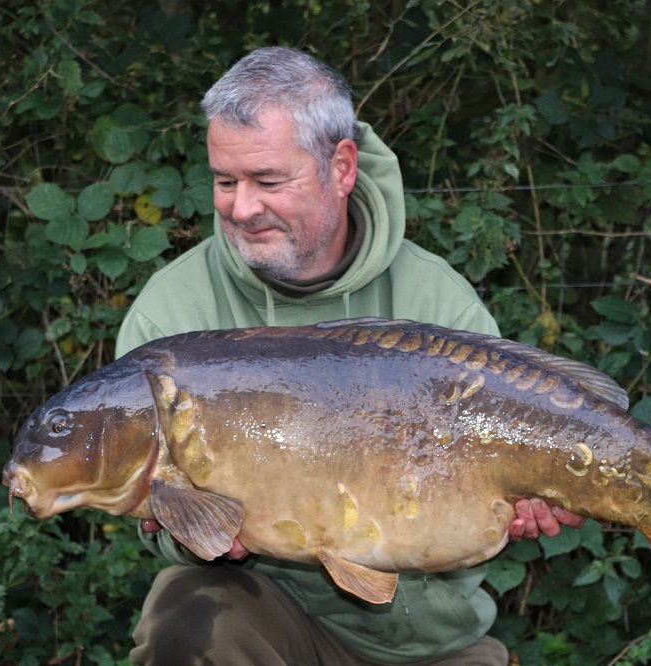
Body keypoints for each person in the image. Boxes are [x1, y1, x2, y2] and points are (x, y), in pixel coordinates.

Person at [116, 46, 584, 666]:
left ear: (340, 168)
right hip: (268, 617)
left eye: (268, 180)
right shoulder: (172, 316)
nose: (240, 207)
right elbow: (163, 524)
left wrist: (528, 503)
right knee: (185, 615)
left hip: (426, 639)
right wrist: (194, 537)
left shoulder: (434, 297)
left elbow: (495, 484)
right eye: (225, 181)